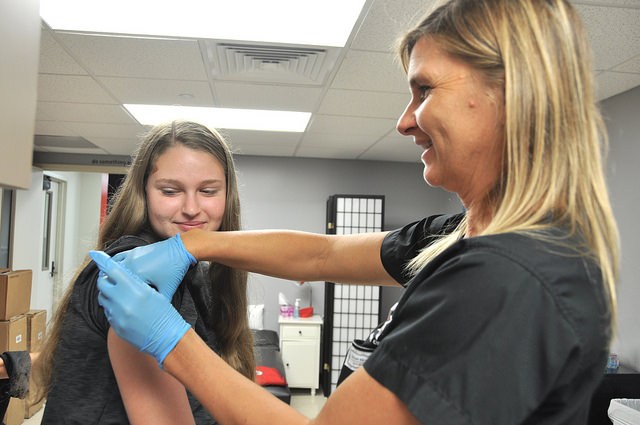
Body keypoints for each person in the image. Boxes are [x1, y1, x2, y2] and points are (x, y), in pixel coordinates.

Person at [95, 0, 620, 423]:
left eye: (424, 90)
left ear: (514, 96)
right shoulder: (459, 237)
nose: (404, 121)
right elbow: (321, 255)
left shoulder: (509, 280)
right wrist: (192, 245)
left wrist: (170, 340)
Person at [32, 120, 255, 424]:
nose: (191, 208)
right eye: (170, 190)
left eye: (207, 190)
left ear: (227, 195)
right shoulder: (140, 278)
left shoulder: (185, 267)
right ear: (144, 192)